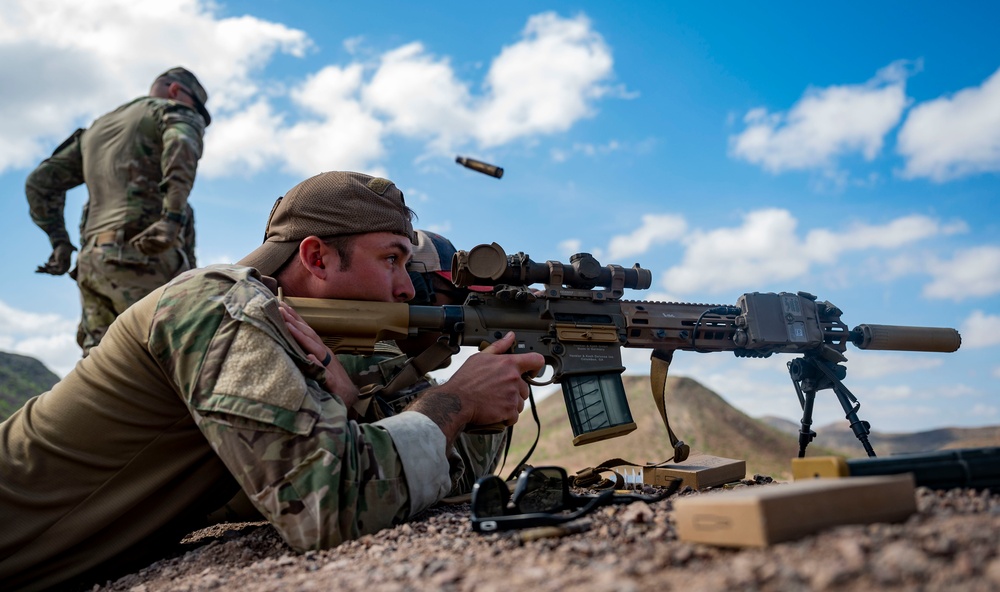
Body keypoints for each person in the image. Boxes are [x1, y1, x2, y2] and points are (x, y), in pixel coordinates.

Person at [0, 171, 544, 591]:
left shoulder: (296, 343)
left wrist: (357, 406)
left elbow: (411, 478)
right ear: (316, 256)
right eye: (392, 260)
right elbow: (331, 505)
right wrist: (453, 402)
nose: (406, 287)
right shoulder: (217, 305)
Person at [25, 66, 211, 355]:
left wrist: (59, 243)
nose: (197, 115)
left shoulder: (95, 130)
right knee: (178, 358)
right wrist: (172, 218)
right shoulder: (172, 111)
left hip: (92, 266)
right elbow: (182, 144)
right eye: (196, 106)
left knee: (101, 370)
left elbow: (39, 183)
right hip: (143, 257)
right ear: (176, 90)